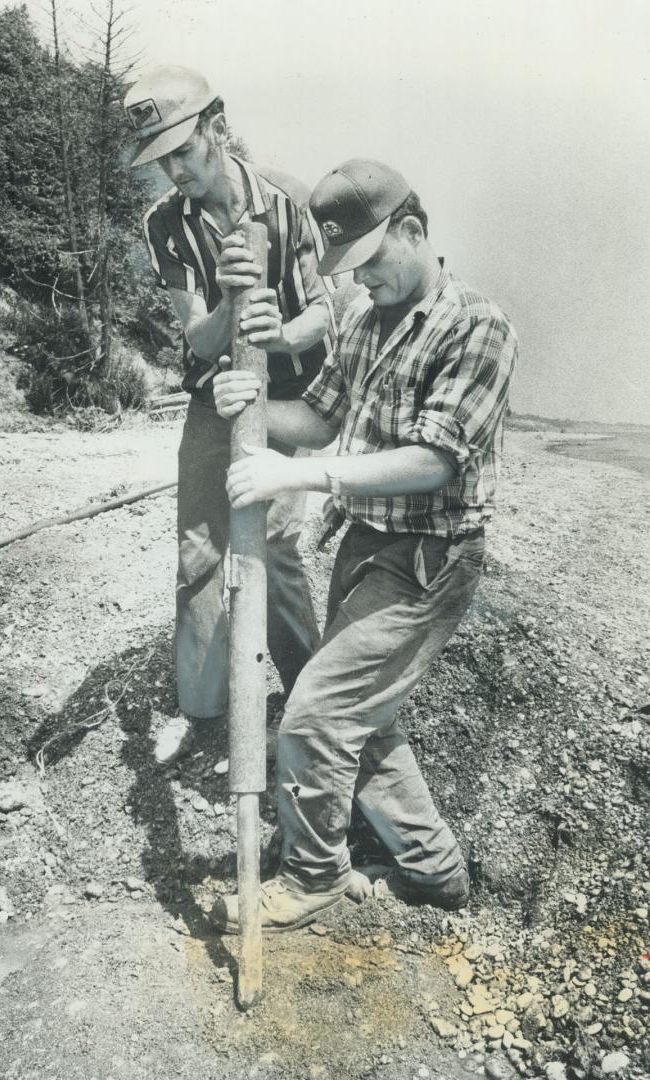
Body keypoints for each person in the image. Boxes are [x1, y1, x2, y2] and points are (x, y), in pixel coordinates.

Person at [210, 158, 518, 932]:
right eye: (349, 268)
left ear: (412, 231)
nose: (363, 282)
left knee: (315, 714)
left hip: (430, 559)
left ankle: (313, 875)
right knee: (362, 716)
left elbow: (434, 460)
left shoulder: (477, 325)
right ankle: (435, 873)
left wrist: (304, 475)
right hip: (364, 544)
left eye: (373, 263)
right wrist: (247, 401)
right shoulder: (358, 317)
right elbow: (314, 417)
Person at [124, 65, 335, 764]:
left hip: (284, 397)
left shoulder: (286, 201)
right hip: (214, 395)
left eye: (183, 151)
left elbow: (325, 313)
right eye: (161, 160)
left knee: (273, 544)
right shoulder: (165, 225)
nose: (174, 171)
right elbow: (198, 337)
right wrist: (229, 300)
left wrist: (275, 335)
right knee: (199, 548)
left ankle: (305, 695)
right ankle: (203, 705)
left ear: (216, 127)